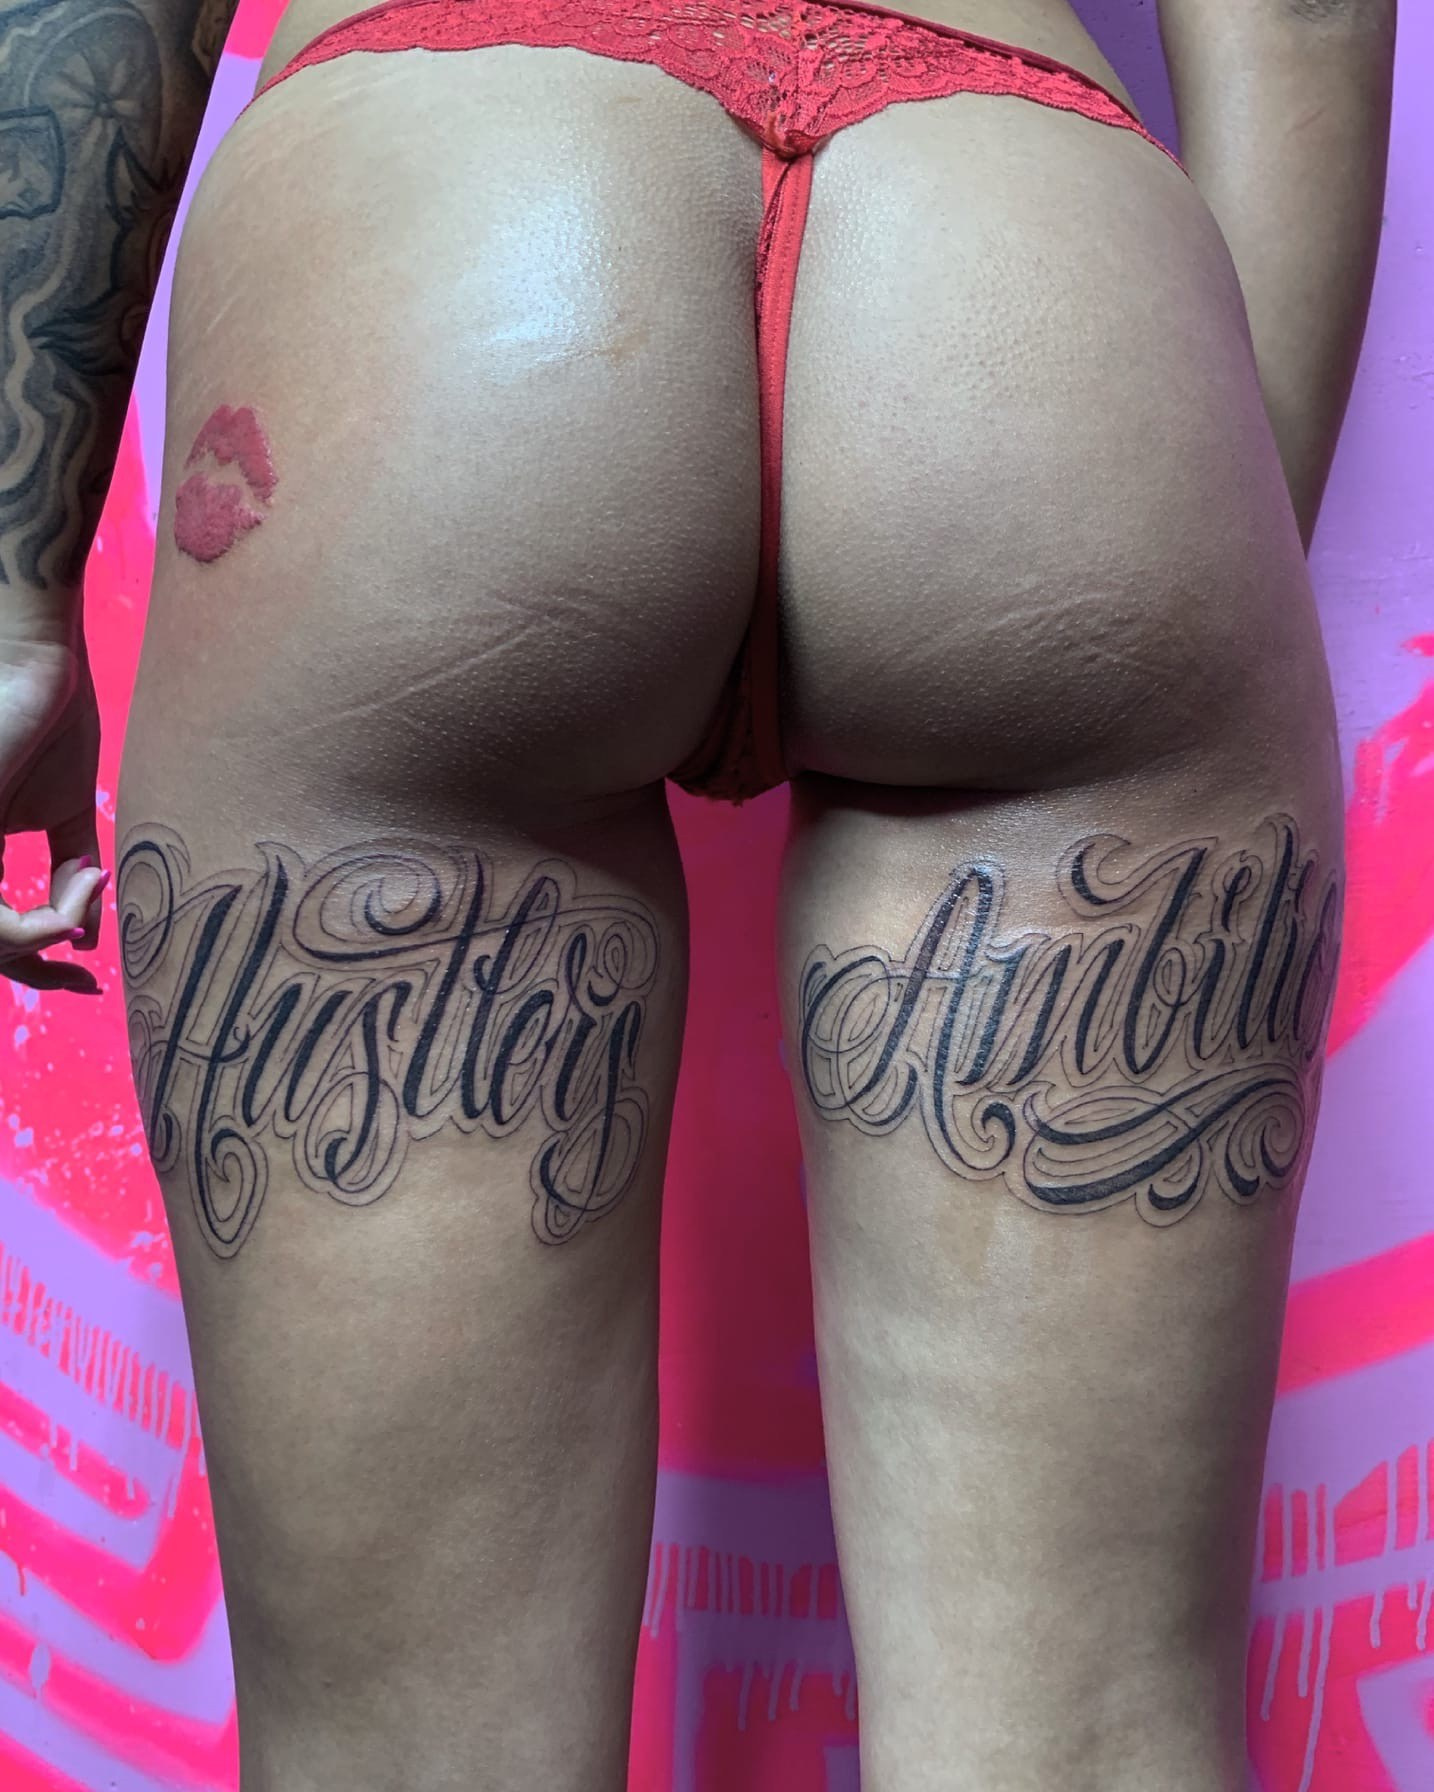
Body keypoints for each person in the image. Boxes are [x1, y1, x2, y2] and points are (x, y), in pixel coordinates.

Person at [0, 0, 1396, 1784]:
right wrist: (1202, 541)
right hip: (1030, 274)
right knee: (1090, 1736)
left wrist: (16, 585)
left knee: (405, 1754)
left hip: (445, 232)